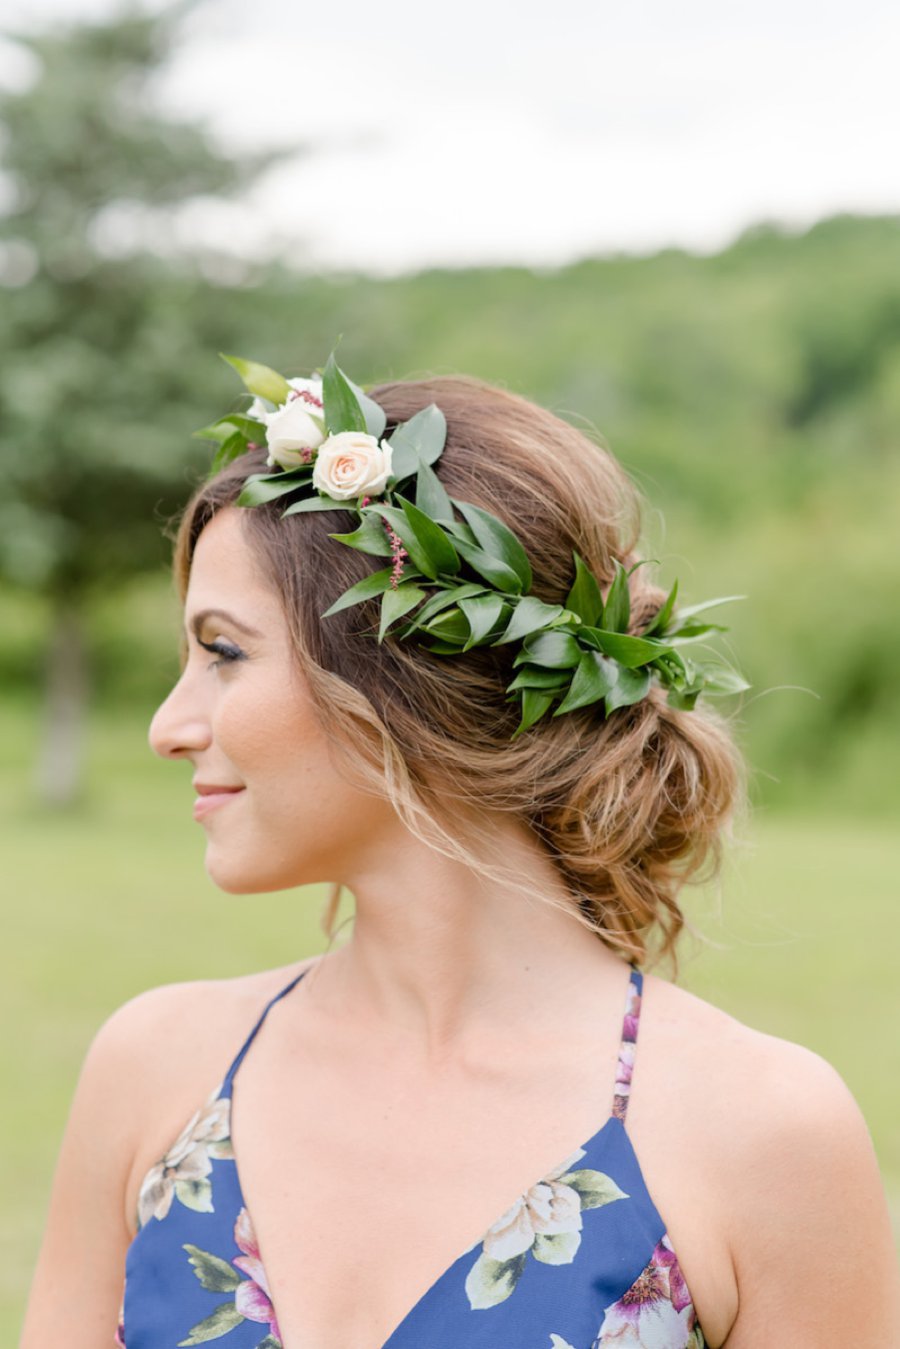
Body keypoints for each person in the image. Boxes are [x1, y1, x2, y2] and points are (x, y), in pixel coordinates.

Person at [20, 361, 899, 1349]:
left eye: (223, 652)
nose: (167, 726)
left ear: (399, 670)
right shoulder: (157, 1070)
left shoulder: (761, 1134)